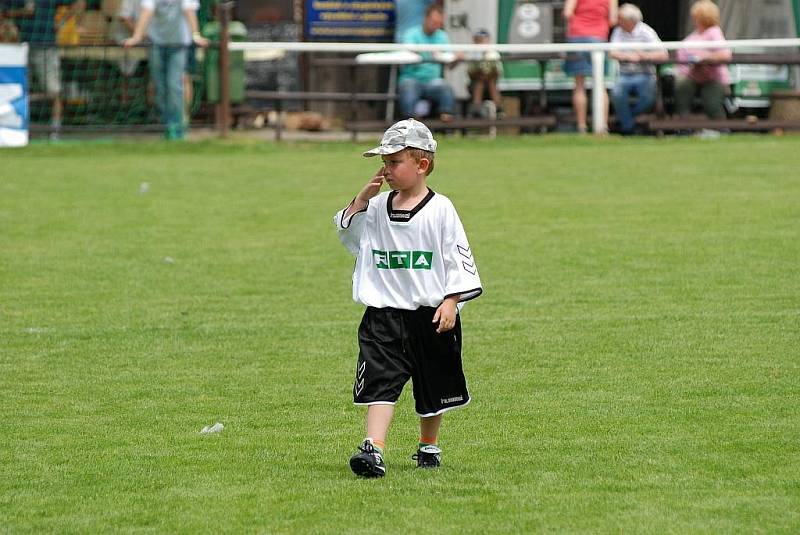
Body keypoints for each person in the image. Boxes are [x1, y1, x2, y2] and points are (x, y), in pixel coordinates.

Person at [333, 118, 483, 478]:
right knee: (379, 381)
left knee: (432, 387)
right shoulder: (377, 207)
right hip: (383, 316)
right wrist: (360, 201)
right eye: (384, 162)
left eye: (394, 162)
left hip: (430, 316)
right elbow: (349, 237)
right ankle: (373, 449)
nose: (386, 170)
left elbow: (456, 257)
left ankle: (428, 445)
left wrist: (451, 300)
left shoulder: (441, 209)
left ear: (422, 165)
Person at [123, 0, 207, 140]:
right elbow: (146, 12)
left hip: (179, 44)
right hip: (157, 43)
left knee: (175, 85)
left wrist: (195, 34)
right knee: (159, 87)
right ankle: (167, 124)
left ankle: (178, 126)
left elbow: (189, 11)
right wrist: (137, 36)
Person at [6, 0, 86, 138]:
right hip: (17, 48)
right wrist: (20, 13)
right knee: (16, 90)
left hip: (46, 46)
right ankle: (19, 129)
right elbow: (5, 13)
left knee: (54, 90)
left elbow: (79, 3)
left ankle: (55, 130)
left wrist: (61, 24)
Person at [608, 4, 667, 135]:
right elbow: (612, 52)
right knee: (617, 94)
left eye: (620, 19)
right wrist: (628, 56)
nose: (618, 22)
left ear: (630, 21)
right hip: (624, 75)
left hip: (645, 74)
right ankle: (630, 127)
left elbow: (663, 54)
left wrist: (643, 56)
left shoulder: (647, 32)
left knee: (648, 98)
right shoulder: (618, 31)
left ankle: (625, 122)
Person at [563, 0, 618, 133]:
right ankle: (603, 126)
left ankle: (581, 126)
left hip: (576, 37)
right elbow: (613, 20)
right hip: (598, 37)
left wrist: (579, 23)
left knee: (579, 85)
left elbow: (567, 13)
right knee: (600, 84)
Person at [674, 0, 732, 120]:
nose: (694, 19)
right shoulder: (694, 35)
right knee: (681, 86)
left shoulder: (714, 32)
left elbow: (725, 55)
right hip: (692, 76)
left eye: (696, 16)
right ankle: (683, 125)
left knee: (711, 103)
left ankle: (720, 129)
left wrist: (704, 57)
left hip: (713, 78)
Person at [398, 4, 456, 121]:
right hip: (412, 78)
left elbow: (450, 62)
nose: (436, 26)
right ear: (426, 18)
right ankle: (410, 123)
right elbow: (407, 52)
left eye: (439, 23)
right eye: (434, 22)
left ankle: (445, 124)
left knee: (446, 88)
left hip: (433, 81)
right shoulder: (411, 33)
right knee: (408, 87)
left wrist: (456, 58)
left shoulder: (442, 36)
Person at [466, 28, 503, 118]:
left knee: (491, 82)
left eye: (483, 40)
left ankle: (498, 109)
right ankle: (477, 109)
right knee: (480, 82)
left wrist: (487, 76)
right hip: (476, 82)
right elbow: (470, 73)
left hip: (491, 82)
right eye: (479, 40)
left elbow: (498, 72)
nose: (481, 43)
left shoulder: (494, 54)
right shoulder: (472, 54)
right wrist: (480, 75)